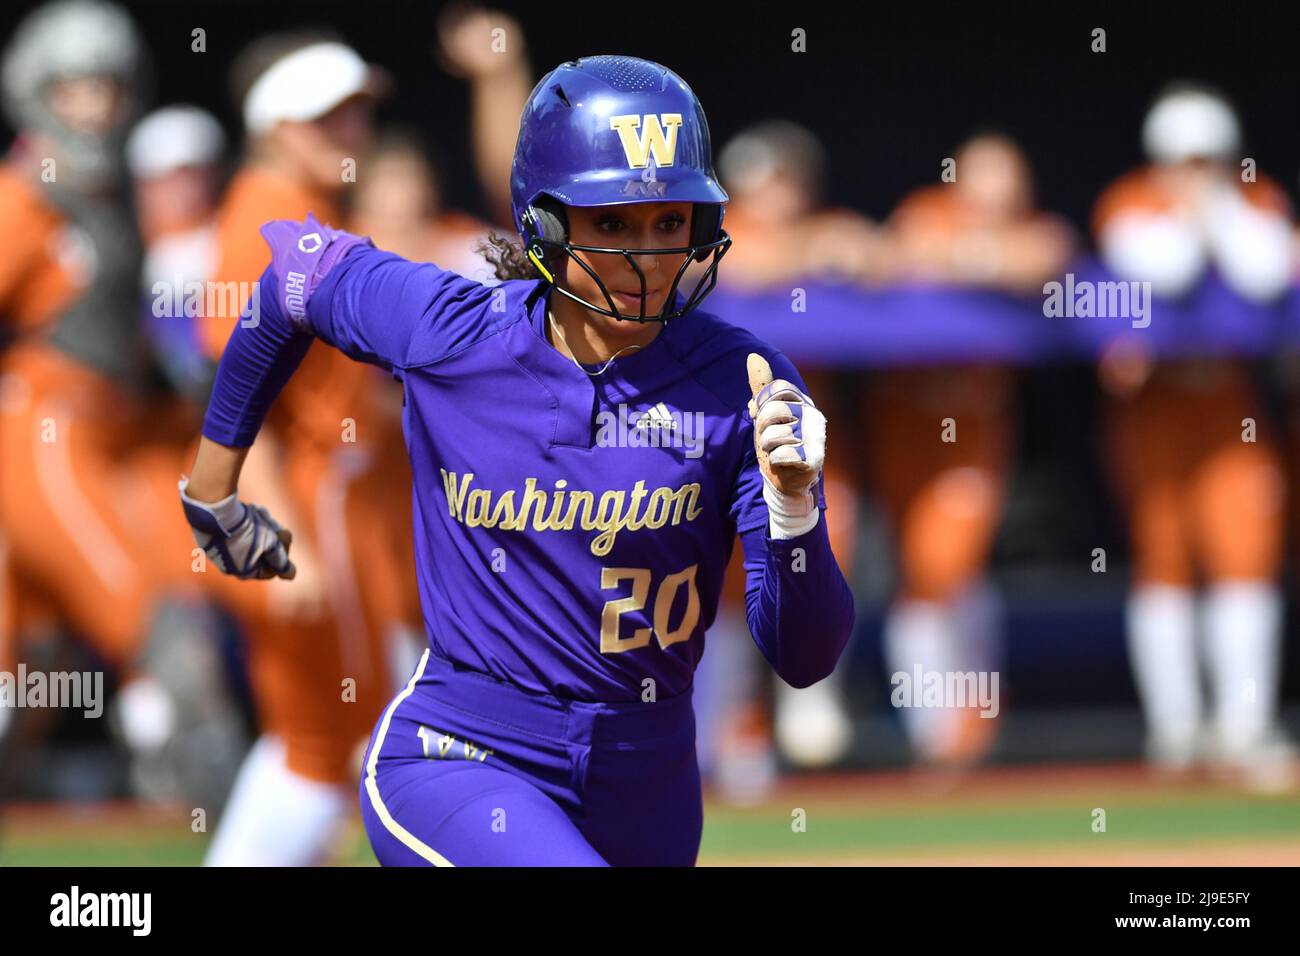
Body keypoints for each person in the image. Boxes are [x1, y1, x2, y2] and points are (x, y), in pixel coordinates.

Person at [179, 55, 855, 866]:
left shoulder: (740, 381)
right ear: (545, 221)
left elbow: (806, 657)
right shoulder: (456, 331)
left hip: (648, 775)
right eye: (612, 223)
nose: (646, 256)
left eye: (668, 222)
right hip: (464, 753)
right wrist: (214, 480)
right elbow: (294, 278)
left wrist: (793, 513)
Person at [1093, 83, 1296, 792]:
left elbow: (1267, 271)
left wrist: (1216, 208)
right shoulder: (1129, 200)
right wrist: (1194, 218)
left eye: (1208, 158)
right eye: (1182, 158)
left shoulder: (1255, 197)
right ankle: (1177, 730)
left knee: (1246, 559)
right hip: (1155, 408)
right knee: (1165, 560)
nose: (1195, 170)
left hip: (1229, 406)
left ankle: (1244, 726)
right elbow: (1163, 267)